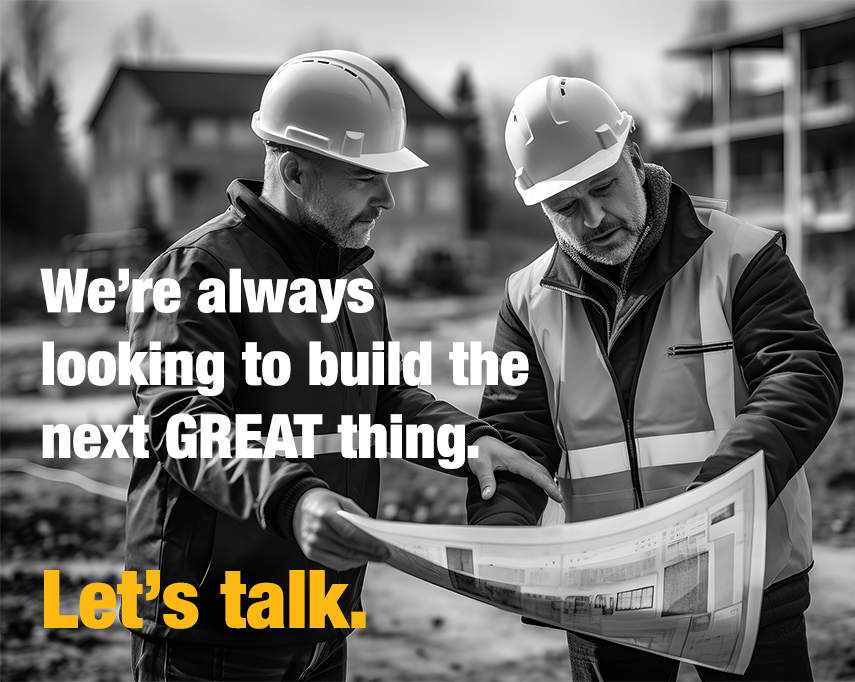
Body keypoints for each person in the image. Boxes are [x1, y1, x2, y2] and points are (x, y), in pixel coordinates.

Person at [124, 51, 561, 682]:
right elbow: (184, 425)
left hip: (322, 616)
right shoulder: (195, 273)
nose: (388, 198)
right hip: (212, 634)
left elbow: (381, 398)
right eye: (365, 178)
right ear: (295, 172)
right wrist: (295, 499)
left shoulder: (350, 278)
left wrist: (467, 441)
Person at [467, 75, 843, 681]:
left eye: (604, 188)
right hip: (608, 591)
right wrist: (501, 535)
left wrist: (716, 502)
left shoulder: (742, 256)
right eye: (566, 205)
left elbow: (800, 375)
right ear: (539, 205)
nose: (593, 218)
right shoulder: (525, 299)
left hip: (745, 578)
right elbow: (517, 435)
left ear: (633, 159)